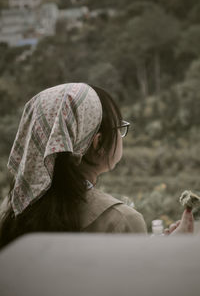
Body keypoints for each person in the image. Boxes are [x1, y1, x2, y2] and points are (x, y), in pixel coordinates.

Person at [0, 83, 193, 249]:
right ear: (98, 142)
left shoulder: (13, 207)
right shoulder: (120, 221)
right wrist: (174, 249)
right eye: (119, 127)